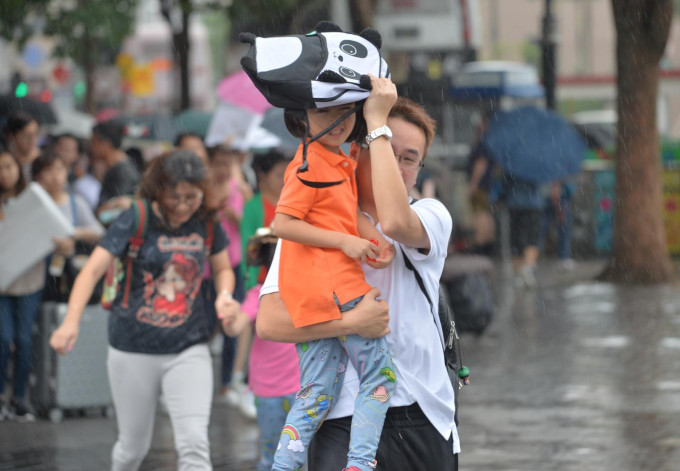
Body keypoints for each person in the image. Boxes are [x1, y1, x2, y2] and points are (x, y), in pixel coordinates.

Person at [257, 94, 460, 470]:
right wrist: (350, 324)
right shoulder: (309, 226)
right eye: (382, 144)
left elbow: (396, 225)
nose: (396, 166)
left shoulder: (430, 215)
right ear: (356, 149)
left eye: (409, 158)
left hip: (422, 414)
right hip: (340, 415)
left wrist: (378, 124)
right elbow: (269, 322)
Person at [49, 150, 240, 471]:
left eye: (191, 197)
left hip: (189, 346)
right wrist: (70, 322)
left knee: (194, 445)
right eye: (174, 197)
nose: (182, 205)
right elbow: (92, 271)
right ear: (158, 191)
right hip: (132, 348)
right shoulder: (136, 218)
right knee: (132, 449)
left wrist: (224, 296)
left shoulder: (206, 222)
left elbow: (223, 268)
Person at [252, 76, 398, 471]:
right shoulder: (306, 163)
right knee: (381, 378)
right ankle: (360, 464)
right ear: (302, 116)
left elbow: (344, 211)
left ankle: (283, 466)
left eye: (344, 109)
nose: (338, 118)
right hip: (337, 286)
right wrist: (344, 243)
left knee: (316, 392)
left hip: (313, 296)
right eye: (324, 110)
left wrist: (370, 239)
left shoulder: (335, 159)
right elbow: (282, 223)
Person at [0, 148, 43, 422]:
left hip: (30, 280)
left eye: (8, 166)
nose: (4, 173)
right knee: (4, 339)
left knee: (25, 340)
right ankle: (1, 395)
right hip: (2, 283)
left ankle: (20, 397)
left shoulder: (33, 200)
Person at [91, 121, 141, 218]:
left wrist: (102, 213)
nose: (92, 147)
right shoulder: (116, 168)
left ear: (106, 144)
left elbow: (120, 211)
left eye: (94, 142)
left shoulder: (123, 173)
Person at [539, 180, 575, 270]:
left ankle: (532, 256)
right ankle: (563, 257)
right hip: (557, 196)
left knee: (543, 228)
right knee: (562, 228)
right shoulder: (562, 168)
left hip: (546, 195)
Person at [3, 112, 40, 182]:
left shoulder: (44, 159)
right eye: (26, 135)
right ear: (12, 136)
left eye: (36, 133)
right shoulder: (5, 160)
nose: (32, 139)